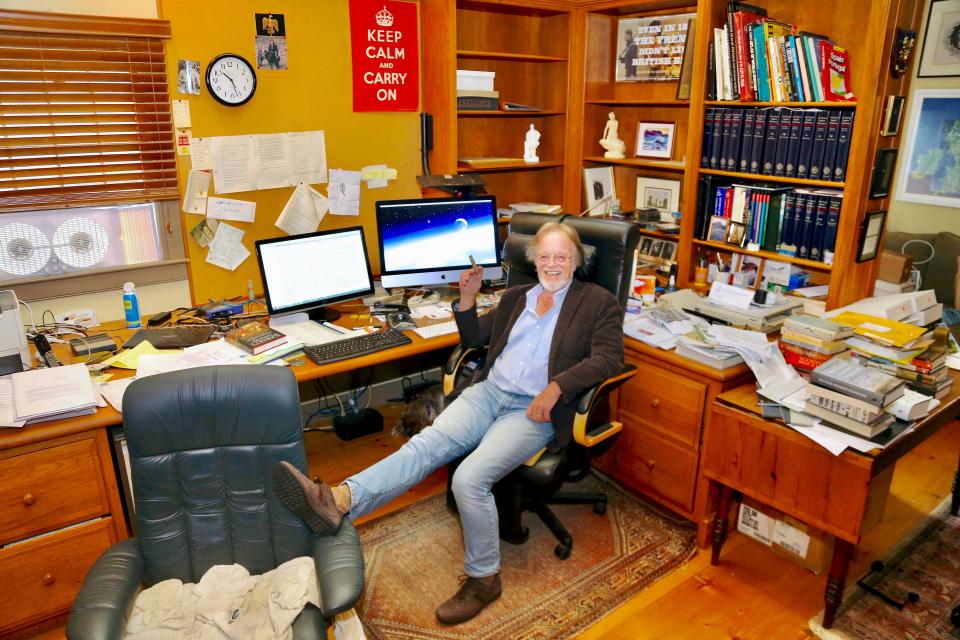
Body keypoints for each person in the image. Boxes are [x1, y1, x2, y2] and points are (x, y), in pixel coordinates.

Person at [273, 222, 624, 625]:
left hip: (532, 410)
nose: (552, 264)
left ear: (576, 260)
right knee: (425, 445)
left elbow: (610, 357)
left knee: (469, 479)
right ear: (534, 261)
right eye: (544, 257)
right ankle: (340, 500)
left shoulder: (597, 303)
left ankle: (484, 578)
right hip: (489, 392)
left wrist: (557, 387)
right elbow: (475, 337)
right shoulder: (516, 297)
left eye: (561, 257)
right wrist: (468, 298)